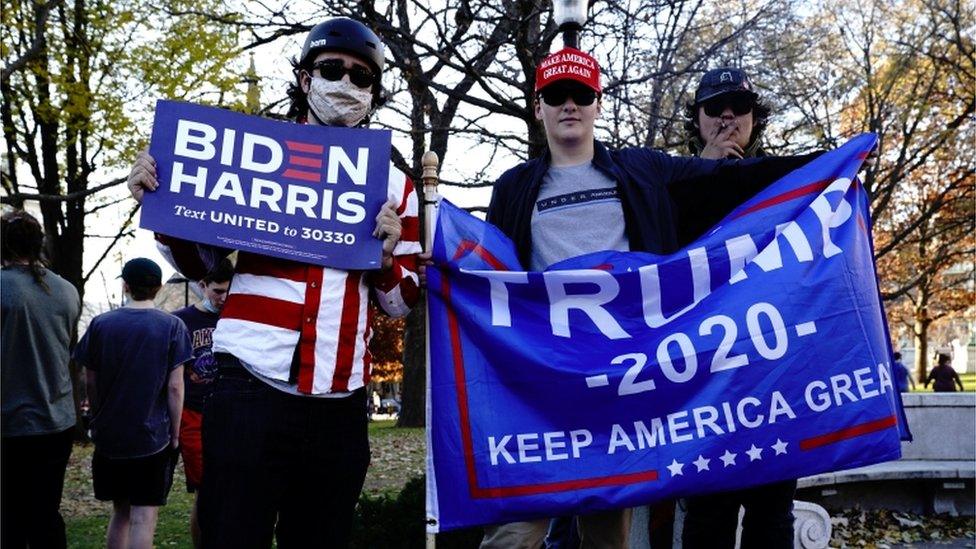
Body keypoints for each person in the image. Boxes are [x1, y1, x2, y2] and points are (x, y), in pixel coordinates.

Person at [481, 49, 819, 549]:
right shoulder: (513, 186)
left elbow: (737, 178)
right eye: (556, 95)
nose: (569, 105)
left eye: (581, 94)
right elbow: (488, 272)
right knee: (514, 536)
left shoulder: (641, 170)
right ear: (539, 107)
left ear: (598, 104)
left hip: (621, 387)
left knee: (607, 538)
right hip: (544, 389)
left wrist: (834, 161)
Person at [126, 17, 421, 548]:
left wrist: (384, 256)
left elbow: (400, 303)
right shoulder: (247, 153)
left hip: (341, 399)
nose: (346, 84)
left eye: (362, 78)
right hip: (248, 388)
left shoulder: (397, 184)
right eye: (333, 69)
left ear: (373, 95)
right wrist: (161, 200)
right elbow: (198, 263)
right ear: (306, 79)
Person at [678, 67, 797, 549]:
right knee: (708, 518)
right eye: (715, 107)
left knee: (772, 518)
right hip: (704, 383)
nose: (727, 116)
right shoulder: (668, 185)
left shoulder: (787, 183)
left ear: (754, 118)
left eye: (739, 107)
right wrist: (705, 171)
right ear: (698, 118)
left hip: (774, 382)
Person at [73, 257, 191, 549]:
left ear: (125, 285)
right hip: (152, 437)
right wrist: (175, 433)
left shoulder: (101, 324)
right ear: (160, 287)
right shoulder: (173, 326)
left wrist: (98, 414)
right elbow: (176, 388)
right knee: (144, 517)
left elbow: (90, 380)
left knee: (120, 512)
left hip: (111, 436)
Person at [1, 210, 81, 549]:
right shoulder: (66, 291)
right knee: (46, 515)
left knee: (9, 519)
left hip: (9, 424)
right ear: (39, 245)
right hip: (56, 422)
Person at [171, 258, 233, 548]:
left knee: (229, 487)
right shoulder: (182, 321)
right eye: (217, 291)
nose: (223, 298)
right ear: (203, 286)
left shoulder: (236, 317)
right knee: (204, 490)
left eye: (228, 292)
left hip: (231, 412)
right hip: (194, 413)